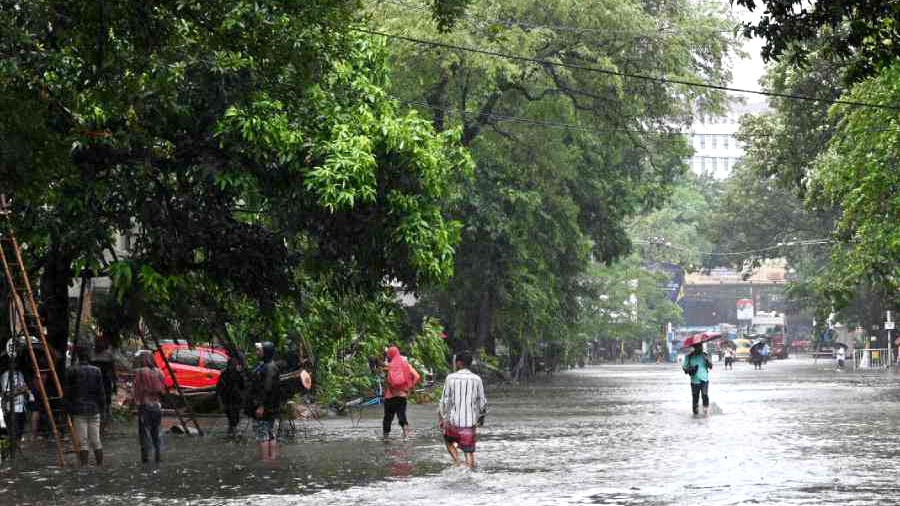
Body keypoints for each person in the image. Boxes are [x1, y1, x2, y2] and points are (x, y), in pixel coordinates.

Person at [438, 351, 487, 468]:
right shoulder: (477, 379)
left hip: (453, 421)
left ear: (459, 363)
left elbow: (444, 401)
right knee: (469, 451)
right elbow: (482, 402)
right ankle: (469, 470)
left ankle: (457, 462)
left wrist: (442, 418)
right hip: (469, 423)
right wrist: (481, 419)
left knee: (448, 441)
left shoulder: (450, 378)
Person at [65, 347, 106, 466]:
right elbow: (101, 392)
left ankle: (84, 467)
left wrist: (67, 409)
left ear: (77, 356)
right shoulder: (97, 370)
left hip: (78, 409)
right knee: (96, 440)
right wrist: (102, 409)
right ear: (88, 357)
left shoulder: (71, 370)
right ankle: (100, 466)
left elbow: (67, 392)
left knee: (83, 442)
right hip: (94, 409)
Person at [247, 342, 281, 460]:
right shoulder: (266, 365)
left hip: (266, 406)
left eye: (259, 351)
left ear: (266, 352)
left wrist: (261, 405)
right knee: (270, 434)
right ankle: (271, 459)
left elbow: (267, 388)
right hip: (270, 406)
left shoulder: (269, 367)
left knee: (263, 434)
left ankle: (265, 460)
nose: (257, 353)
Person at [132, 351, 166, 463]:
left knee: (145, 434)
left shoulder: (140, 372)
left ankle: (145, 461)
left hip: (145, 406)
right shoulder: (160, 372)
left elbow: (137, 391)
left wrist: (134, 404)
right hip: (157, 406)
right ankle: (158, 458)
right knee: (157, 433)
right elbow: (162, 391)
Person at [382, 346, 421, 439]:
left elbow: (386, 382)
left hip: (389, 396)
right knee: (402, 416)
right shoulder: (405, 364)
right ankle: (407, 437)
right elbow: (417, 376)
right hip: (401, 396)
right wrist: (409, 386)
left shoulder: (389, 366)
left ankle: (385, 439)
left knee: (387, 419)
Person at [216, 352, 246, 438]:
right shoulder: (224, 374)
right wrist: (220, 403)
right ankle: (232, 431)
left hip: (235, 399)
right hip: (228, 399)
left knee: (234, 417)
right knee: (231, 416)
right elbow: (219, 389)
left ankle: (232, 431)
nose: (234, 365)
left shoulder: (238, 374)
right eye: (233, 364)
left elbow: (242, 386)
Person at [1, 367, 32, 442]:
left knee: (20, 431)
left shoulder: (20, 374)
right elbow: (6, 394)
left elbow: (24, 387)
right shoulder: (6, 375)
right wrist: (20, 390)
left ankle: (17, 446)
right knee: (14, 432)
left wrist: (26, 390)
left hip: (22, 406)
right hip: (12, 407)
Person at [682, 343, 712, 416]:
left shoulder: (705, 355)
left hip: (704, 379)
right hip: (694, 380)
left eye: (701, 346)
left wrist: (707, 361)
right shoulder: (689, 356)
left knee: (705, 395)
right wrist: (691, 368)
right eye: (698, 346)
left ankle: (706, 410)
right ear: (695, 347)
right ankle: (695, 413)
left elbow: (710, 366)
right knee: (695, 397)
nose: (700, 348)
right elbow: (684, 367)